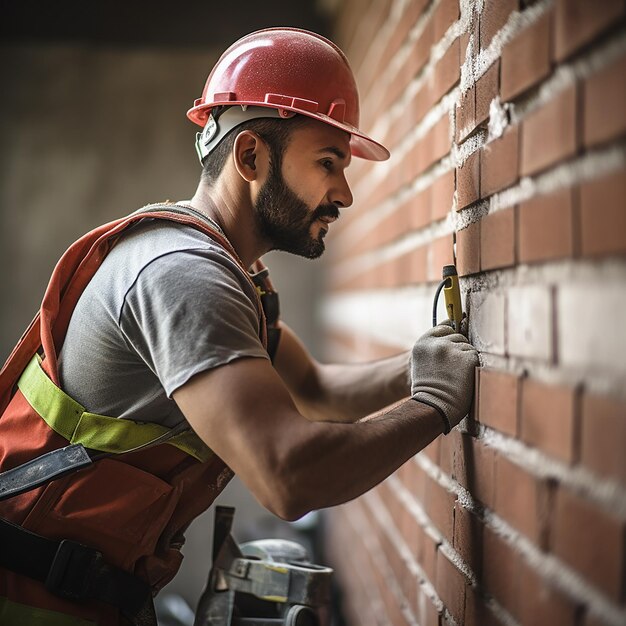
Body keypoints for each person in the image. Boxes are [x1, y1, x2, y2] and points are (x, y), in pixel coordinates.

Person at [0, 28, 478, 626]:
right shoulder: (182, 277)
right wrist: (433, 403)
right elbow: (287, 475)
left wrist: (425, 365)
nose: (345, 193)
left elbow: (319, 392)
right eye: (328, 162)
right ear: (250, 156)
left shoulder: (235, 275)